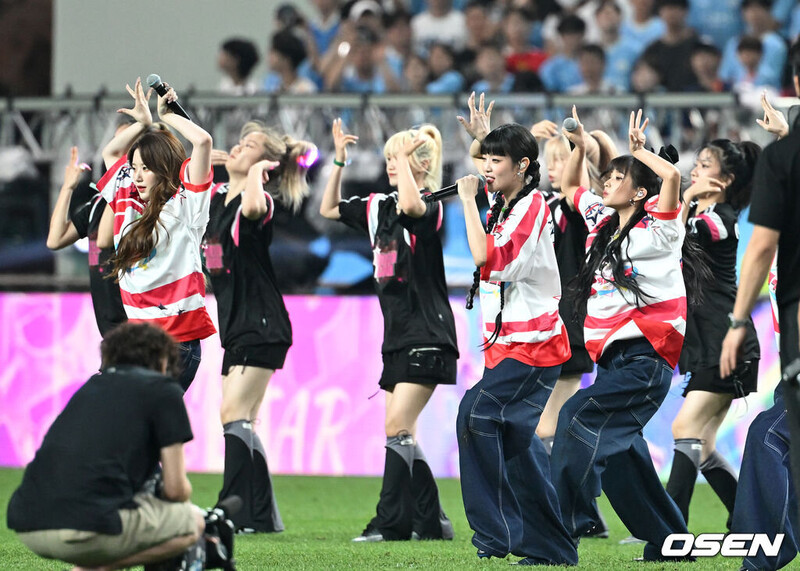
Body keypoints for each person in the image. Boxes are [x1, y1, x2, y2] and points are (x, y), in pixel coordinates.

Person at [550, 107, 695, 562]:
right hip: (614, 363)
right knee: (622, 463)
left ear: (638, 192)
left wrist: (641, 154)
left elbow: (672, 180)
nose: (605, 183)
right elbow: (572, 189)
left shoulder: (661, 230)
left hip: (645, 359)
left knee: (574, 418)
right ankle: (673, 543)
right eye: (607, 178)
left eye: (616, 179)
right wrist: (576, 142)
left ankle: (557, 531)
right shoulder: (601, 224)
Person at [453, 93, 577, 565]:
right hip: (508, 345)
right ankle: (553, 547)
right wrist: (480, 139)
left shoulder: (529, 208)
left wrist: (466, 200)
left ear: (523, 165)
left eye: (496, 160)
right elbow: (490, 176)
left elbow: (486, 257)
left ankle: (494, 532)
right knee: (518, 447)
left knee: (476, 413)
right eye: (485, 160)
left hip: (534, 345)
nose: (486, 168)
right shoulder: (508, 201)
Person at [320, 118, 457, 542]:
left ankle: (391, 523)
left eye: (399, 158)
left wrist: (403, 155)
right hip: (396, 336)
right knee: (402, 432)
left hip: (428, 335)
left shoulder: (431, 206)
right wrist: (339, 161)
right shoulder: (378, 206)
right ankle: (432, 522)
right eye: (389, 158)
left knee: (396, 426)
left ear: (419, 165)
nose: (391, 164)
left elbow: (414, 208)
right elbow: (328, 209)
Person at [6, 322, 204, 570]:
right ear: (163, 359)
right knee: (193, 523)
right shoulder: (163, 390)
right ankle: (96, 568)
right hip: (85, 529)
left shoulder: (90, 386)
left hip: (27, 523)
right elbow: (176, 490)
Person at [203, 121, 316, 533]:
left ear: (265, 162)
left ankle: (231, 510)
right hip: (235, 326)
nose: (236, 146)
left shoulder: (259, 200)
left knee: (233, 413)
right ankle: (263, 516)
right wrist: (202, 159)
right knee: (241, 419)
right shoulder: (216, 202)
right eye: (240, 139)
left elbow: (251, 208)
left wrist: (253, 173)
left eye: (248, 145)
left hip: (262, 323)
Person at [722, 40, 800, 561]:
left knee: (771, 438)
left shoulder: (783, 161)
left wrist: (735, 321)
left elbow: (762, 245)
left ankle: (760, 556)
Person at [665, 139, 762, 529]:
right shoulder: (700, 215)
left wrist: (685, 196)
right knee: (701, 442)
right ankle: (747, 518)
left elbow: (670, 235)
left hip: (727, 342)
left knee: (684, 428)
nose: (695, 170)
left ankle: (668, 531)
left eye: (704, 165)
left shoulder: (720, 219)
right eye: (697, 162)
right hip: (710, 343)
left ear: (726, 180)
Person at [97, 77, 215, 392]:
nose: (136, 175)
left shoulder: (186, 206)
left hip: (175, 345)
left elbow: (202, 143)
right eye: (133, 167)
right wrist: (143, 123)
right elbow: (111, 153)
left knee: (139, 431)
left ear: (163, 168)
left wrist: (168, 118)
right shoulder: (126, 200)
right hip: (140, 344)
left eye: (145, 168)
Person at [46, 145, 126, 337]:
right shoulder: (98, 204)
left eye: (124, 148)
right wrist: (68, 187)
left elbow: (104, 240)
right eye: (116, 145)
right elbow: (55, 240)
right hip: (109, 333)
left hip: (138, 328)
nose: (115, 155)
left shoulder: (143, 205)